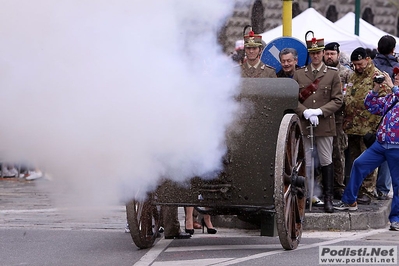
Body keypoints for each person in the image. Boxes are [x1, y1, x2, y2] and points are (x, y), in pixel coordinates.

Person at [334, 70, 399, 231]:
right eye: (395, 75)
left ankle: (396, 219)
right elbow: (371, 106)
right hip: (381, 143)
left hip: (396, 146)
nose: (396, 78)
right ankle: (350, 199)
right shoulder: (391, 97)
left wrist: (392, 87)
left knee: (398, 184)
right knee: (359, 164)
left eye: (398, 76)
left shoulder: (395, 93)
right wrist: (375, 89)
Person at [293, 34, 343, 213]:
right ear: (309, 53)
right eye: (312, 53)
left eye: (318, 52)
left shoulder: (332, 74)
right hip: (305, 124)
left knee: (326, 160)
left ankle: (328, 197)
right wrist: (304, 111)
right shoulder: (299, 74)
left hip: (324, 124)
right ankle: (305, 195)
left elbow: (338, 100)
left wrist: (320, 111)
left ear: (323, 53)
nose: (315, 56)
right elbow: (293, 100)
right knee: (305, 161)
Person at [343, 47, 391, 204]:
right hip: (353, 127)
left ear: (368, 60)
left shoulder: (377, 77)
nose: (357, 67)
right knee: (355, 160)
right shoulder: (352, 76)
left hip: (369, 128)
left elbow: (385, 103)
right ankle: (356, 191)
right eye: (355, 64)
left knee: (368, 162)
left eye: (360, 64)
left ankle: (367, 191)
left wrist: (377, 127)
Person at [323, 42, 353, 199]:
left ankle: (338, 186)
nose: (329, 57)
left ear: (338, 55)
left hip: (339, 118)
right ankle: (322, 185)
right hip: (322, 117)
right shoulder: (320, 72)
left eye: (332, 54)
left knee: (338, 152)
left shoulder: (346, 73)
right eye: (327, 54)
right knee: (322, 153)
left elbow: (349, 96)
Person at [372, 35, 399, 200]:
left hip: (371, 114)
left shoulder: (372, 66)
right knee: (388, 155)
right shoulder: (396, 67)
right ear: (393, 49)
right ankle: (382, 189)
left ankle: (368, 188)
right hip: (390, 117)